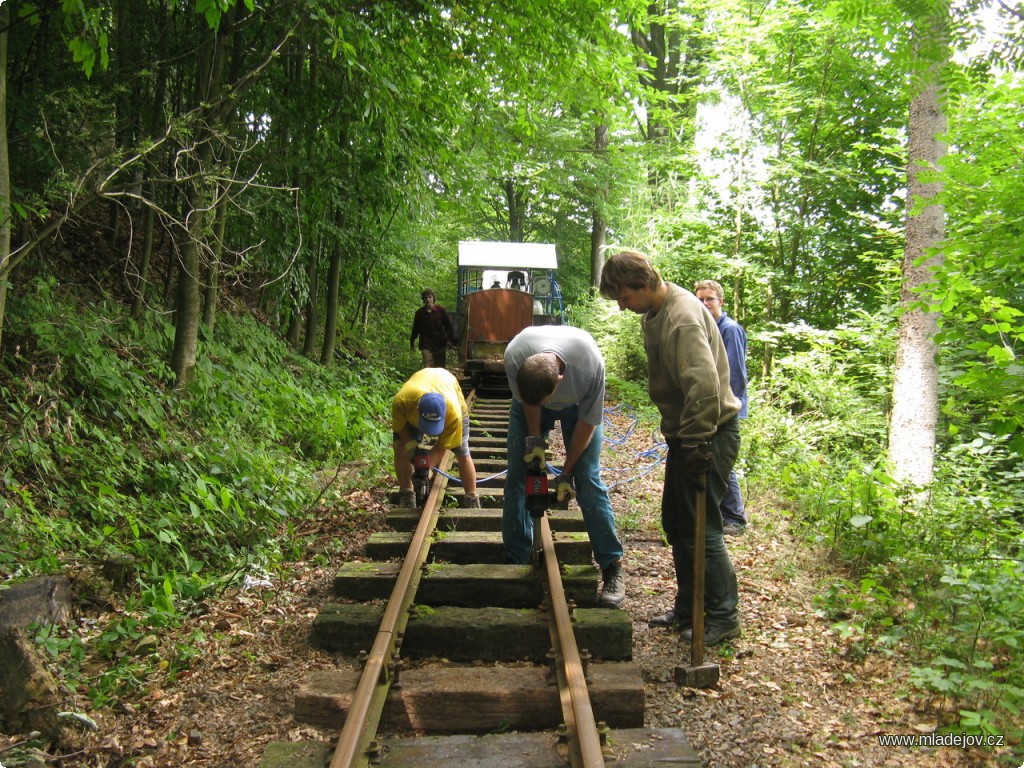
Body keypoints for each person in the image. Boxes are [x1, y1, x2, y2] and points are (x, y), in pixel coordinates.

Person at [599, 250, 742, 646]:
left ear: (643, 285)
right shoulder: (655, 313)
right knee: (678, 523)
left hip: (708, 434)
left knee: (703, 528)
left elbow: (704, 387)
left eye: (624, 298)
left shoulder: (681, 317)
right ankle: (688, 606)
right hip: (687, 435)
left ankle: (724, 615)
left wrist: (696, 442)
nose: (623, 306)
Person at [502, 325, 626, 608]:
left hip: (579, 409)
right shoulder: (514, 355)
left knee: (587, 479)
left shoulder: (589, 366)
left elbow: (588, 423)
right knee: (520, 475)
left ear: (560, 379)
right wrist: (535, 445)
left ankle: (612, 567)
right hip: (529, 403)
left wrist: (566, 472)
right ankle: (515, 559)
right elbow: (529, 402)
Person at [694, 279, 749, 537]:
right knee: (714, 459)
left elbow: (735, 373)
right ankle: (719, 512)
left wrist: (728, 408)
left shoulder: (729, 329)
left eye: (709, 299)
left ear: (720, 302)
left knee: (723, 461)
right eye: (700, 300)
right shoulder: (707, 328)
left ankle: (735, 517)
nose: (705, 304)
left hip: (726, 407)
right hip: (711, 405)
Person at [392, 367, 480, 509]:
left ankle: (472, 498)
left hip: (448, 387)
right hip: (416, 394)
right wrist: (411, 448)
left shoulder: (454, 414)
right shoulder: (402, 401)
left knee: (462, 453)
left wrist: (426, 469)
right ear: (417, 410)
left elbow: (442, 446)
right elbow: (400, 427)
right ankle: (406, 493)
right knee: (399, 447)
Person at [410, 289, 454, 369]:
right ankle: (429, 382)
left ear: (433, 298)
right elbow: (416, 328)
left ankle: (440, 382)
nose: (428, 299)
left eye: (430, 297)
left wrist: (450, 340)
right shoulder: (420, 313)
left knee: (440, 368)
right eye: (426, 298)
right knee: (428, 367)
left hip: (440, 343)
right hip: (426, 344)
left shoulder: (441, 310)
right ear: (423, 299)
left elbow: (448, 326)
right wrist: (412, 341)